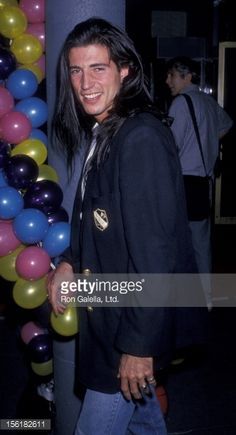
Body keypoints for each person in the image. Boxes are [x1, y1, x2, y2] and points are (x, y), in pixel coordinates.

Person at [47, 18, 206, 435]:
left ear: (124, 70)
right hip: (109, 316)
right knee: (146, 424)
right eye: (76, 71)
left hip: (126, 329)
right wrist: (68, 260)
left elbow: (155, 255)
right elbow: (91, 219)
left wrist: (139, 347)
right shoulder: (106, 131)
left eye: (98, 68)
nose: (85, 83)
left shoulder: (140, 137)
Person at [166, 57, 233, 309]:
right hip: (203, 179)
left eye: (171, 75)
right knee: (202, 242)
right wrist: (208, 145)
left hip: (184, 179)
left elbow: (172, 145)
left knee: (176, 240)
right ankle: (205, 297)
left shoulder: (180, 104)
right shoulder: (207, 100)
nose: (167, 81)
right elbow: (227, 124)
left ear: (186, 77)